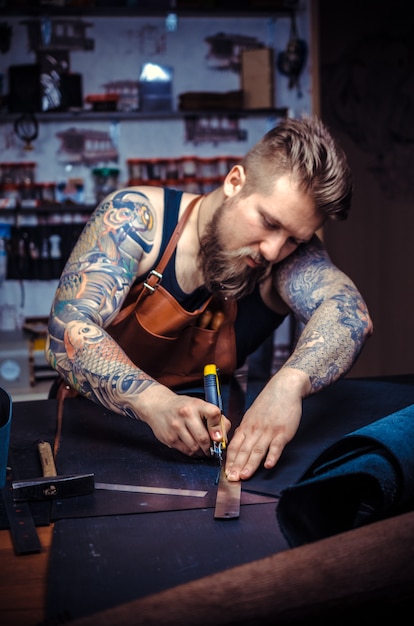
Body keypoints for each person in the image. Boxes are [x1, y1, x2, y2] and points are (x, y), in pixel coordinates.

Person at [45, 115, 373, 482]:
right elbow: (67, 334)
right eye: (269, 222)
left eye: (295, 238)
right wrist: (158, 403)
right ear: (235, 182)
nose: (273, 249)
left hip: (207, 450)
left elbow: (349, 314)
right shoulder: (137, 220)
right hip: (96, 436)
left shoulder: (284, 256)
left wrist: (290, 383)